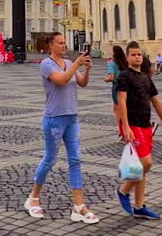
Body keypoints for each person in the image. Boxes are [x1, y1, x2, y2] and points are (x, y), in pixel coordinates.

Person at [25, 32, 99, 224]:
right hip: (54, 119)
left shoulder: (68, 63)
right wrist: (76, 64)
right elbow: (60, 80)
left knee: (75, 160)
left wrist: (87, 69)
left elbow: (81, 83)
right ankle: (33, 197)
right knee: (50, 159)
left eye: (65, 43)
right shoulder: (46, 64)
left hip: (71, 117)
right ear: (51, 45)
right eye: (60, 43)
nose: (64, 46)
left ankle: (79, 206)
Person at [115, 41, 162, 220]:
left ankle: (139, 206)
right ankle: (124, 190)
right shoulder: (124, 76)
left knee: (142, 168)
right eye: (133, 55)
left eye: (139, 54)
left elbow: (156, 101)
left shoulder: (147, 78)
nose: (137, 57)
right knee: (145, 163)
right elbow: (121, 102)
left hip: (146, 125)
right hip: (133, 124)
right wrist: (125, 127)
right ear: (127, 57)